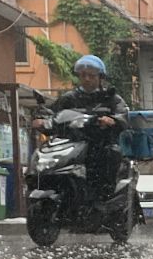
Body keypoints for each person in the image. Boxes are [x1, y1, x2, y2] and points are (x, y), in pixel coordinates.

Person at [34, 54, 129, 197]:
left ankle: (104, 195)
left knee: (111, 153)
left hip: (100, 143)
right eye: (83, 75)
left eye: (92, 76)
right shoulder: (68, 98)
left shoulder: (111, 98)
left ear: (100, 77)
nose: (87, 79)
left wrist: (112, 120)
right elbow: (53, 114)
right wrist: (42, 120)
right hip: (70, 144)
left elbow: (124, 114)